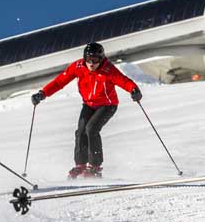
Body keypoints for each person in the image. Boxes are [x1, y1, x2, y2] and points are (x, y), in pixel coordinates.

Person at [31, 42, 141, 179]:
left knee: (92, 129)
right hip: (89, 105)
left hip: (107, 105)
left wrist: (134, 90)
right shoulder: (78, 67)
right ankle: (80, 165)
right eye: (88, 59)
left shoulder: (108, 70)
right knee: (80, 131)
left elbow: (124, 81)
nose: (91, 63)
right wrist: (43, 93)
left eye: (95, 60)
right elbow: (60, 82)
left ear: (101, 59)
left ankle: (95, 167)